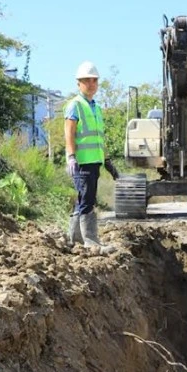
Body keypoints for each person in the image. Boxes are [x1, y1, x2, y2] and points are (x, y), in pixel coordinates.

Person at [64, 61, 119, 249]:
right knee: (87, 200)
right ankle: (90, 241)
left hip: (94, 161)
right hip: (81, 162)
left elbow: (98, 138)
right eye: (87, 80)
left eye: (94, 80)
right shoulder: (75, 105)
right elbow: (69, 133)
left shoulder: (95, 107)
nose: (91, 84)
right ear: (78, 83)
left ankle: (76, 240)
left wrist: (107, 161)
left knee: (83, 199)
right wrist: (71, 156)